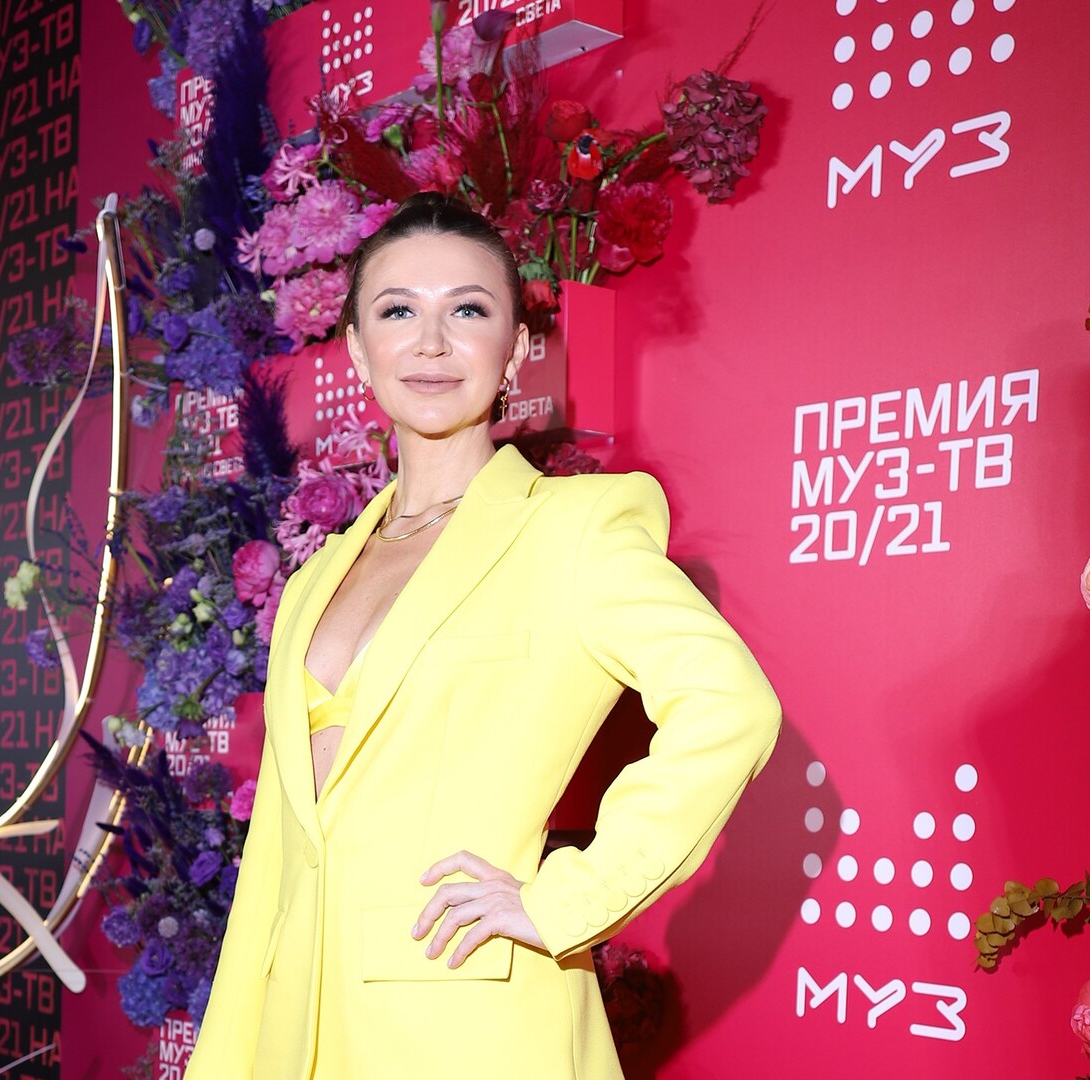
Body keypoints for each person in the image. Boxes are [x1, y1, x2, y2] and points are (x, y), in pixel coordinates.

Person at [187, 192, 780, 1079]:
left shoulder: (573, 531)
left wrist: (570, 899)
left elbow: (730, 706)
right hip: (298, 1030)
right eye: (398, 312)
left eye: (467, 311)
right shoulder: (313, 582)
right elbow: (276, 856)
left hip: (470, 1022)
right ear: (358, 348)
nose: (431, 343)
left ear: (515, 349)